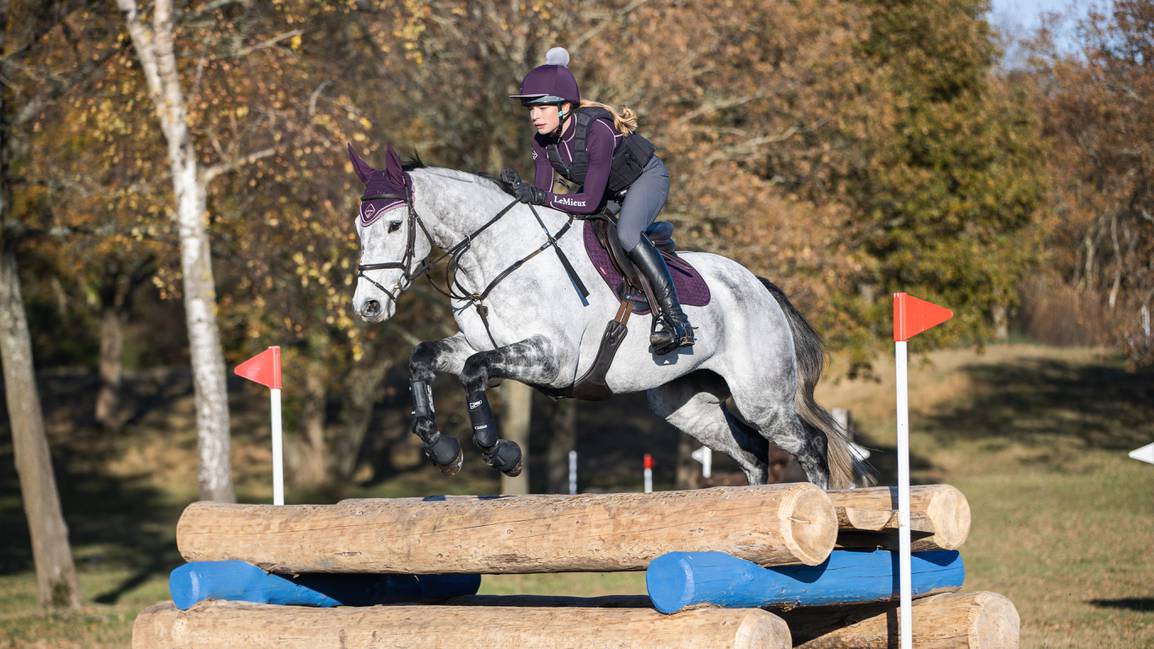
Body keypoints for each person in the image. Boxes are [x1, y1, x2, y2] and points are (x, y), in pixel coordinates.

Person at [501, 47, 695, 354]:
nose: (534, 116)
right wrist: (521, 196)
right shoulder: (541, 142)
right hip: (608, 192)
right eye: (531, 109)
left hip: (644, 178)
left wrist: (541, 196)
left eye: (541, 108)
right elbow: (544, 203)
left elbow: (589, 203)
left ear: (564, 107)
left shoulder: (597, 131)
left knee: (628, 234)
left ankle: (675, 320)